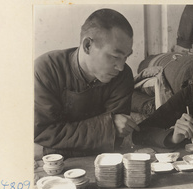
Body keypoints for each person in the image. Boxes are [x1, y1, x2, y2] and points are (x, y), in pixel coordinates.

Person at [34, 9, 139, 158]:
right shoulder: (45, 70)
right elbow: (41, 133)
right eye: (115, 56)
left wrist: (46, 150)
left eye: (126, 57)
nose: (121, 67)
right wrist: (106, 128)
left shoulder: (123, 76)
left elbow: (112, 142)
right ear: (87, 45)